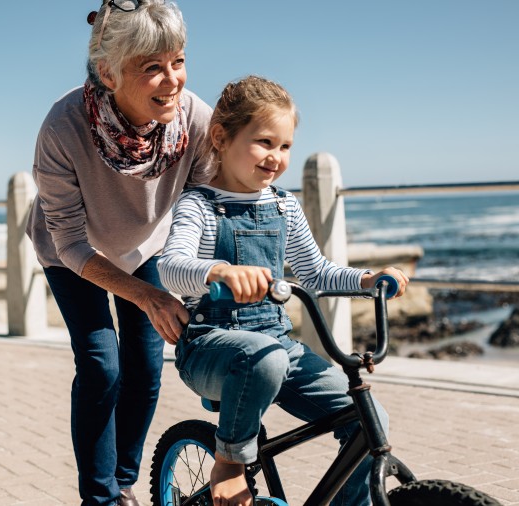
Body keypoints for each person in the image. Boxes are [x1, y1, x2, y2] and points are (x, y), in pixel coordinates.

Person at [157, 75, 410, 506]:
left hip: (278, 347)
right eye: (264, 142)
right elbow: (170, 268)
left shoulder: (283, 205)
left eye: (285, 146)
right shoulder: (198, 204)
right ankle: (230, 460)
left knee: (370, 423)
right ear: (221, 137)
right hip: (211, 347)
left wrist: (367, 281)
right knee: (264, 360)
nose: (276, 157)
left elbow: (315, 274)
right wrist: (218, 271)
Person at [26, 1, 213, 504]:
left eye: (177, 61)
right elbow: (68, 241)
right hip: (73, 250)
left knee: (147, 368)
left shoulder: (195, 119)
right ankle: (100, 498)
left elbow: (206, 208)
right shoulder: (63, 128)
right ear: (108, 73)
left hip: (144, 243)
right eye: (151, 67)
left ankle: (123, 483)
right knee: (102, 364)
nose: (172, 80)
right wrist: (148, 297)